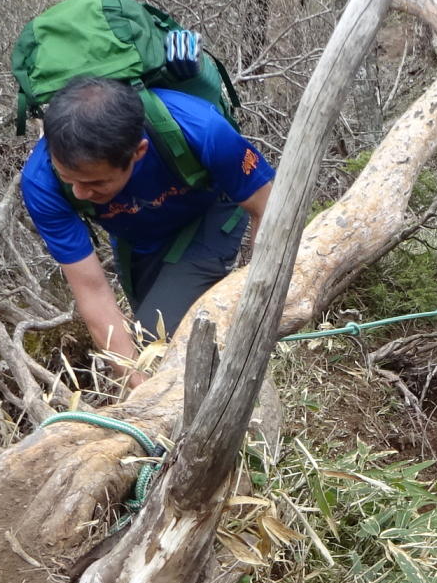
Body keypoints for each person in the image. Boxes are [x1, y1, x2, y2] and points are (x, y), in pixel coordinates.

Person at [20, 75, 274, 366]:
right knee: (142, 346)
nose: (80, 192)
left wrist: (261, 303)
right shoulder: (40, 181)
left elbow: (268, 208)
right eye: (69, 179)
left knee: (152, 343)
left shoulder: (201, 129)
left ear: (138, 152)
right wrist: (134, 382)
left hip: (209, 214)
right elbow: (92, 292)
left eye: (95, 182)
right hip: (139, 238)